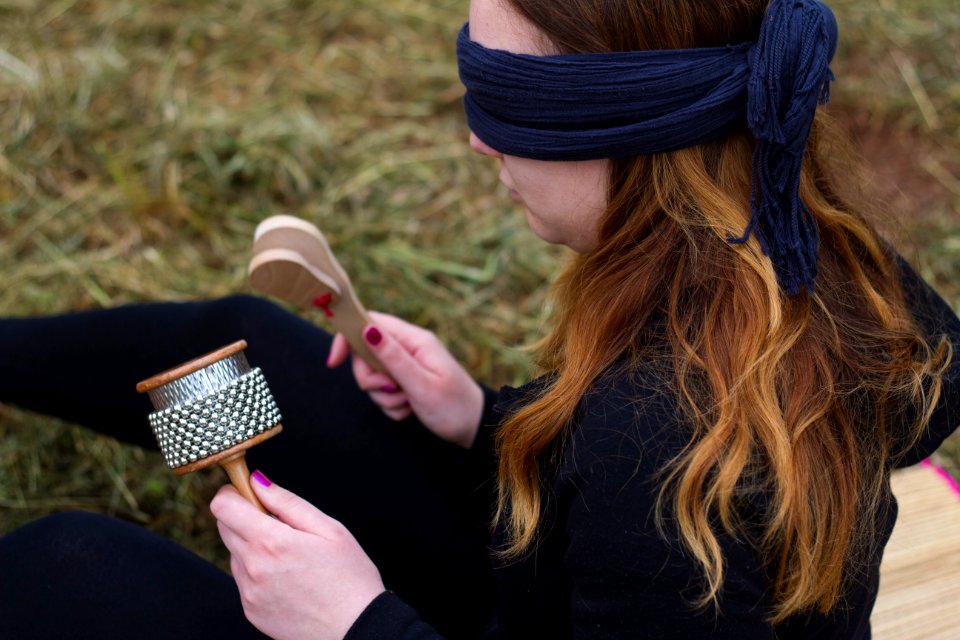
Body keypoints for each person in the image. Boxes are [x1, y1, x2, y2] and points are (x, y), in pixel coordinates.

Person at [1, 0, 958, 638]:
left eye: (506, 95)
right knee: (229, 347)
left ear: (629, 117)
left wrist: (355, 623)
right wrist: (482, 420)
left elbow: (647, 478)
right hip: (554, 586)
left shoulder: (657, 450)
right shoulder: (802, 248)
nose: (474, 135)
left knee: (72, 569)